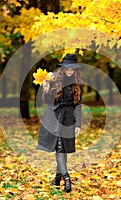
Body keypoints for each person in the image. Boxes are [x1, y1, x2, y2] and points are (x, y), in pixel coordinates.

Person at [37, 54, 83, 193]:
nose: (69, 71)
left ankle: (57, 179)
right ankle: (66, 178)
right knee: (59, 147)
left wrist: (78, 124)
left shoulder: (77, 84)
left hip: (68, 119)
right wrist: (45, 90)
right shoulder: (54, 80)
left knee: (62, 148)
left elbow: (78, 106)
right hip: (53, 117)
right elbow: (46, 101)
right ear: (63, 68)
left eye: (72, 69)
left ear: (75, 70)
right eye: (67, 68)